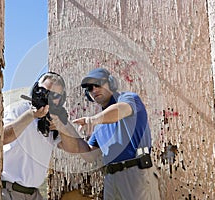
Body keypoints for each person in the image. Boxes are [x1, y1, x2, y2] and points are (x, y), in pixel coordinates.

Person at [52, 68, 161, 200]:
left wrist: (93, 120)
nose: (94, 90)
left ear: (111, 83)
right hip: (111, 177)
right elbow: (90, 155)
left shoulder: (128, 98)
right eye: (90, 88)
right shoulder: (99, 125)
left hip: (136, 172)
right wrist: (65, 128)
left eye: (98, 84)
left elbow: (121, 109)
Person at [1, 72, 68, 200]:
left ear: (61, 99)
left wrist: (63, 128)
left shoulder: (52, 121)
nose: (47, 98)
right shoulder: (18, 110)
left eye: (54, 95)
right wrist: (31, 115)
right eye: (43, 91)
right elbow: (2, 138)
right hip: (9, 191)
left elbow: (73, 148)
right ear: (36, 90)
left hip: (33, 194)